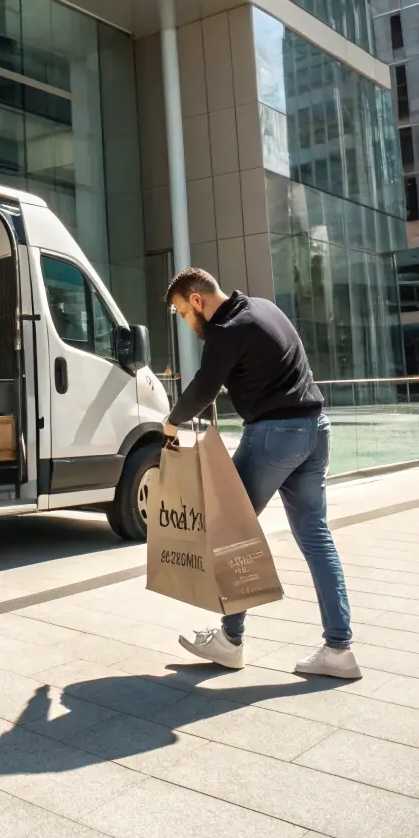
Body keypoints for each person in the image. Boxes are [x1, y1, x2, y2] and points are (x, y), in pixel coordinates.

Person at [162, 266, 360, 680]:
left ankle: (230, 641)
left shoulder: (227, 329)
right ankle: (339, 648)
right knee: (316, 537)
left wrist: (172, 422)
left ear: (197, 301)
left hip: (275, 434)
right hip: (315, 429)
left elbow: (204, 386)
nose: (185, 321)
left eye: (182, 312)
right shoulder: (264, 309)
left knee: (230, 531)